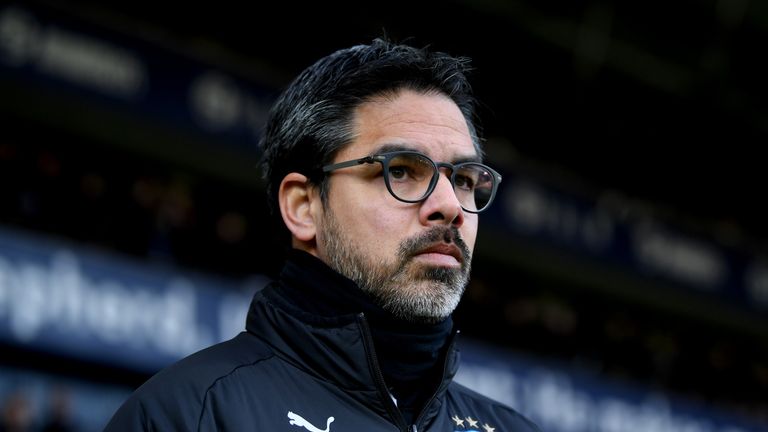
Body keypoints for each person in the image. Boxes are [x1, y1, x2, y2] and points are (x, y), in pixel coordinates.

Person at [104, 38, 542, 432]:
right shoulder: (186, 416)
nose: (449, 204)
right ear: (303, 207)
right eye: (402, 171)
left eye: (464, 178)